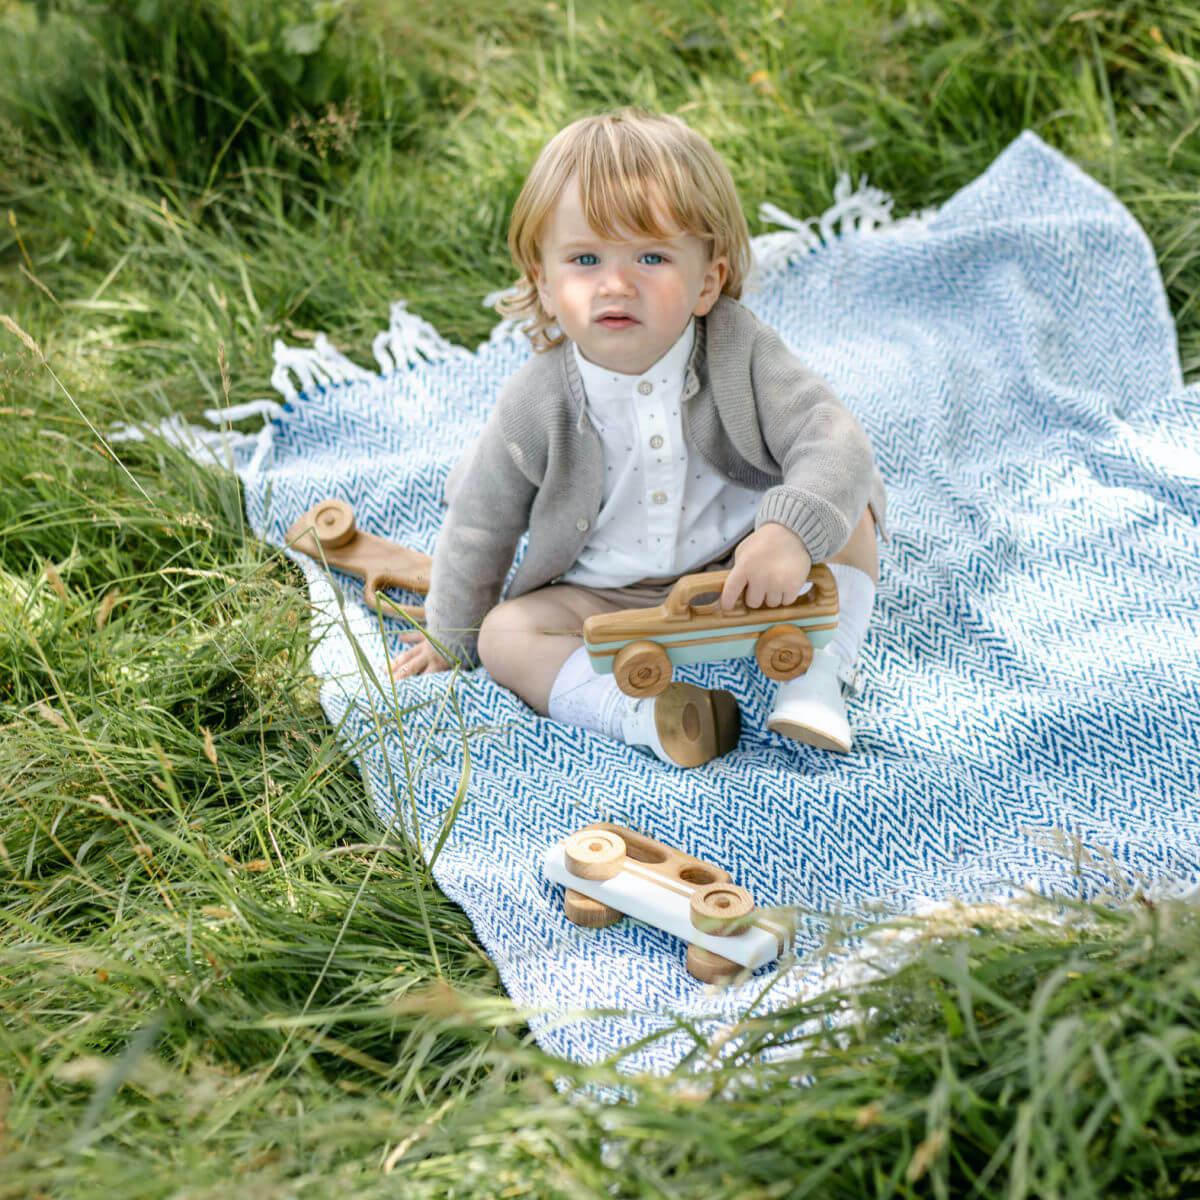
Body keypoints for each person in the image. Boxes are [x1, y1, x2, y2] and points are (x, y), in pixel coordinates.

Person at [388, 106, 886, 768]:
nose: (616, 283)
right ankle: (647, 715)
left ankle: (820, 675)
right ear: (543, 278)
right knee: (508, 635)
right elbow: (479, 527)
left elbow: (833, 440)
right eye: (585, 258)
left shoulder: (741, 352)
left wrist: (787, 535)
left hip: (746, 564)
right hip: (609, 590)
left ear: (708, 279)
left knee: (849, 519)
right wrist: (452, 637)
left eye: (651, 256)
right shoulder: (534, 403)